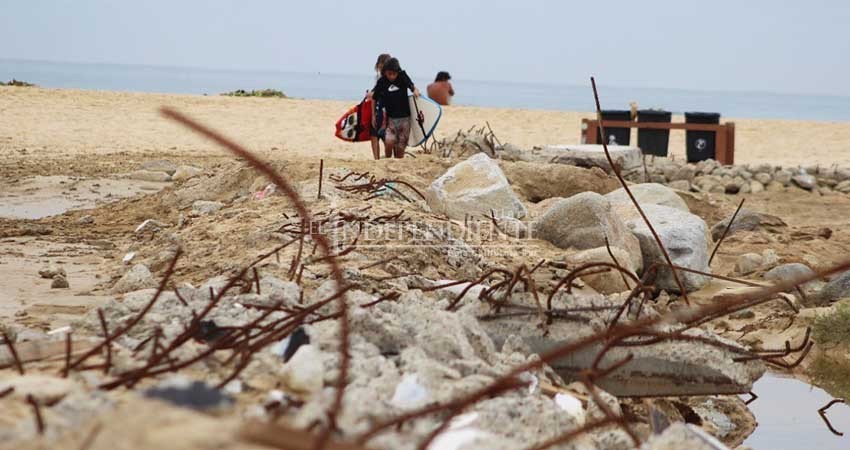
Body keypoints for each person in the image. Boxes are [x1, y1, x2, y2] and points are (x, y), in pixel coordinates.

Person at [371, 57, 420, 159]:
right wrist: (373, 116)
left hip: (405, 119)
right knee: (389, 142)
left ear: (398, 71)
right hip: (391, 120)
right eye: (389, 74)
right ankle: (388, 160)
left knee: (400, 148)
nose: (392, 76)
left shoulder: (402, 76)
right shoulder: (382, 81)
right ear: (385, 72)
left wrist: (415, 90)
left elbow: (412, 86)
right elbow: (374, 98)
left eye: (394, 74)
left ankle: (397, 162)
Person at [369, 53, 392, 160]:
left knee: (382, 135)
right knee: (375, 134)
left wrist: (371, 94)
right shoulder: (380, 78)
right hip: (381, 110)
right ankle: (378, 160)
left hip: (386, 111)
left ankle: (383, 158)